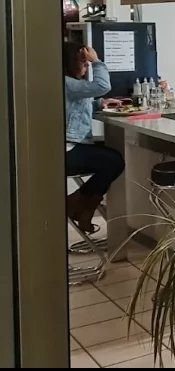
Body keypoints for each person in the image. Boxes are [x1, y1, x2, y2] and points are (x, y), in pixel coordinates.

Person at [64, 41, 124, 233]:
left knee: (111, 159)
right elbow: (102, 85)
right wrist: (97, 61)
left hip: (72, 146)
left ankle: (82, 208)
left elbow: (76, 106)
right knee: (113, 161)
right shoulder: (66, 83)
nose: (87, 64)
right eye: (82, 61)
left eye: (88, 61)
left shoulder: (71, 85)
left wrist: (100, 104)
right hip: (67, 152)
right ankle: (75, 203)